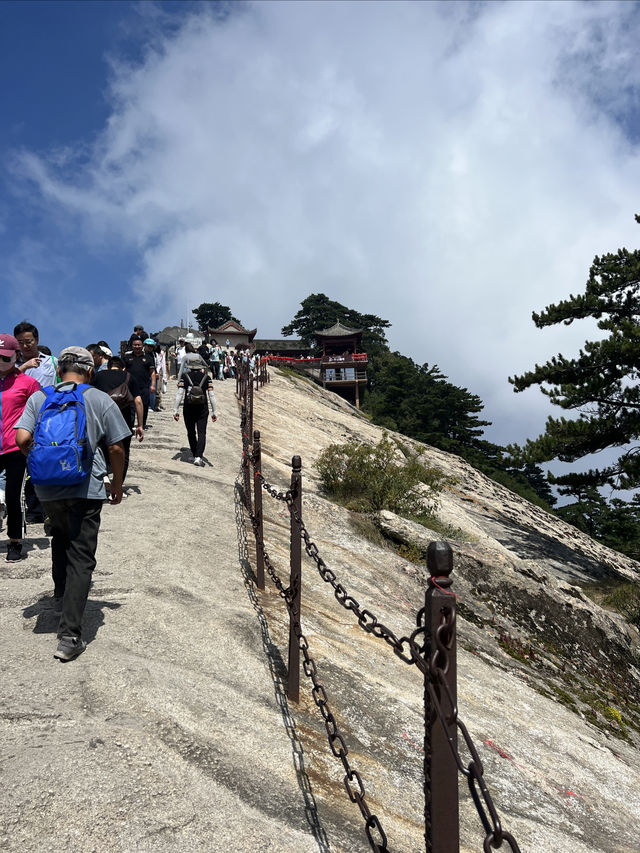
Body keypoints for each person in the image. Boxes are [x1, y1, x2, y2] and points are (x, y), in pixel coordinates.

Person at [15, 346, 130, 661]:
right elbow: (117, 447)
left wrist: (42, 462)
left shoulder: (40, 397)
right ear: (89, 371)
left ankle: (60, 594)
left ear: (60, 368)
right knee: (81, 556)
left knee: (60, 536)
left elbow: (22, 439)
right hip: (85, 487)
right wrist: (116, 484)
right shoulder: (97, 398)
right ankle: (69, 636)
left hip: (48, 488)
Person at [0, 333, 40, 561]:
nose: (1, 362)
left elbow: (40, 414)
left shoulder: (28, 383)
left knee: (14, 496)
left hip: (16, 447)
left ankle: (15, 542)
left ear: (16, 356)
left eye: (6, 358)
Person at [94, 356, 144, 484]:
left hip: (101, 417)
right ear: (123, 367)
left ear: (109, 366)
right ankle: (118, 484)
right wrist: (140, 425)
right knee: (124, 451)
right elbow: (138, 401)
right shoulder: (129, 377)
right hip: (124, 420)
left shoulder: (98, 376)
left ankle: (103, 474)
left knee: (100, 446)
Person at [173, 356, 217, 467]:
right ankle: (198, 456)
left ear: (190, 368)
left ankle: (194, 453)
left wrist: (175, 409)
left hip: (188, 408)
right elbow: (211, 395)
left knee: (191, 432)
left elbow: (179, 394)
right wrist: (214, 411)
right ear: (200, 367)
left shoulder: (185, 377)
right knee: (202, 432)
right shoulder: (207, 378)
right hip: (203, 408)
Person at [124, 336, 156, 429]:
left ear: (142, 346)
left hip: (144, 386)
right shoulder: (127, 358)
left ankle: (142, 423)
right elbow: (123, 371)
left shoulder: (148, 358)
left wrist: (153, 385)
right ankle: (131, 424)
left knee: (145, 405)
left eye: (139, 345)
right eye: (135, 345)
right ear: (132, 346)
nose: (137, 346)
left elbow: (152, 372)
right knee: (131, 407)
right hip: (130, 387)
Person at [14, 321, 58, 388]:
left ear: (37, 340)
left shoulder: (52, 361)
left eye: (28, 342)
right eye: (20, 342)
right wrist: (24, 366)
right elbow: (6, 384)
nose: (25, 346)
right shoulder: (12, 365)